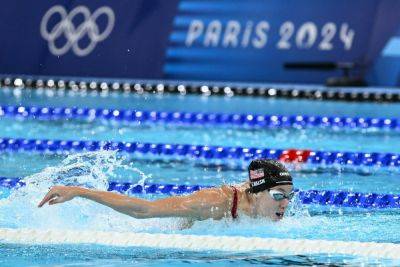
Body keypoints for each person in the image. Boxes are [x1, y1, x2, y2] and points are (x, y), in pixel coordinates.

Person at [38, 159, 294, 221]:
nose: (285, 203)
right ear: (257, 191)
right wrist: (80, 192)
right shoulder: (216, 203)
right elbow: (144, 210)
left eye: (289, 196)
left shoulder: (268, 210)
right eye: (278, 195)